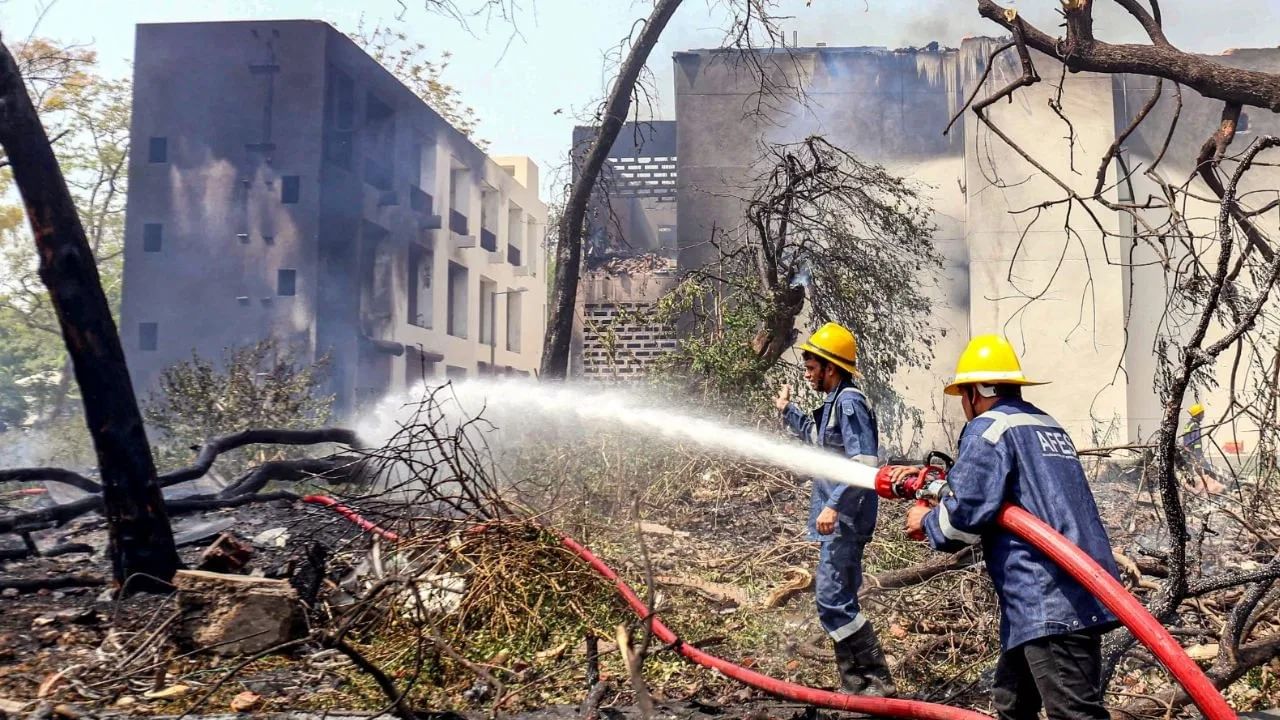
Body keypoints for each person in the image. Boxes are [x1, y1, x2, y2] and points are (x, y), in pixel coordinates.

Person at [890, 335, 1120, 720]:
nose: (965, 406)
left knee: (1075, 715)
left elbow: (960, 524)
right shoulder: (1045, 425)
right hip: (1065, 591)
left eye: (963, 395)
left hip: (1048, 596)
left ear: (976, 391)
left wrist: (927, 520)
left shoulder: (988, 428)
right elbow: (1011, 492)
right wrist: (938, 484)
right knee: (1013, 706)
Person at [774, 322, 895, 697]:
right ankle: (861, 687)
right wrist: (787, 410)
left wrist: (832, 505)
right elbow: (818, 438)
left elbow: (865, 460)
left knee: (830, 601)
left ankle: (875, 683)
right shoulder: (833, 404)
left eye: (812, 369)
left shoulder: (849, 401)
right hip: (840, 518)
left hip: (845, 518)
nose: (808, 375)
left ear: (831, 367)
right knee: (840, 599)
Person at [1181, 404, 1226, 494]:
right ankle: (1213, 489)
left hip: (1187, 452)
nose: (1203, 415)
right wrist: (1199, 456)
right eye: (1202, 413)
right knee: (1207, 469)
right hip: (1194, 453)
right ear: (1198, 414)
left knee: (1193, 472)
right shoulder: (1195, 426)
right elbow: (1197, 442)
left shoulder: (1188, 424)